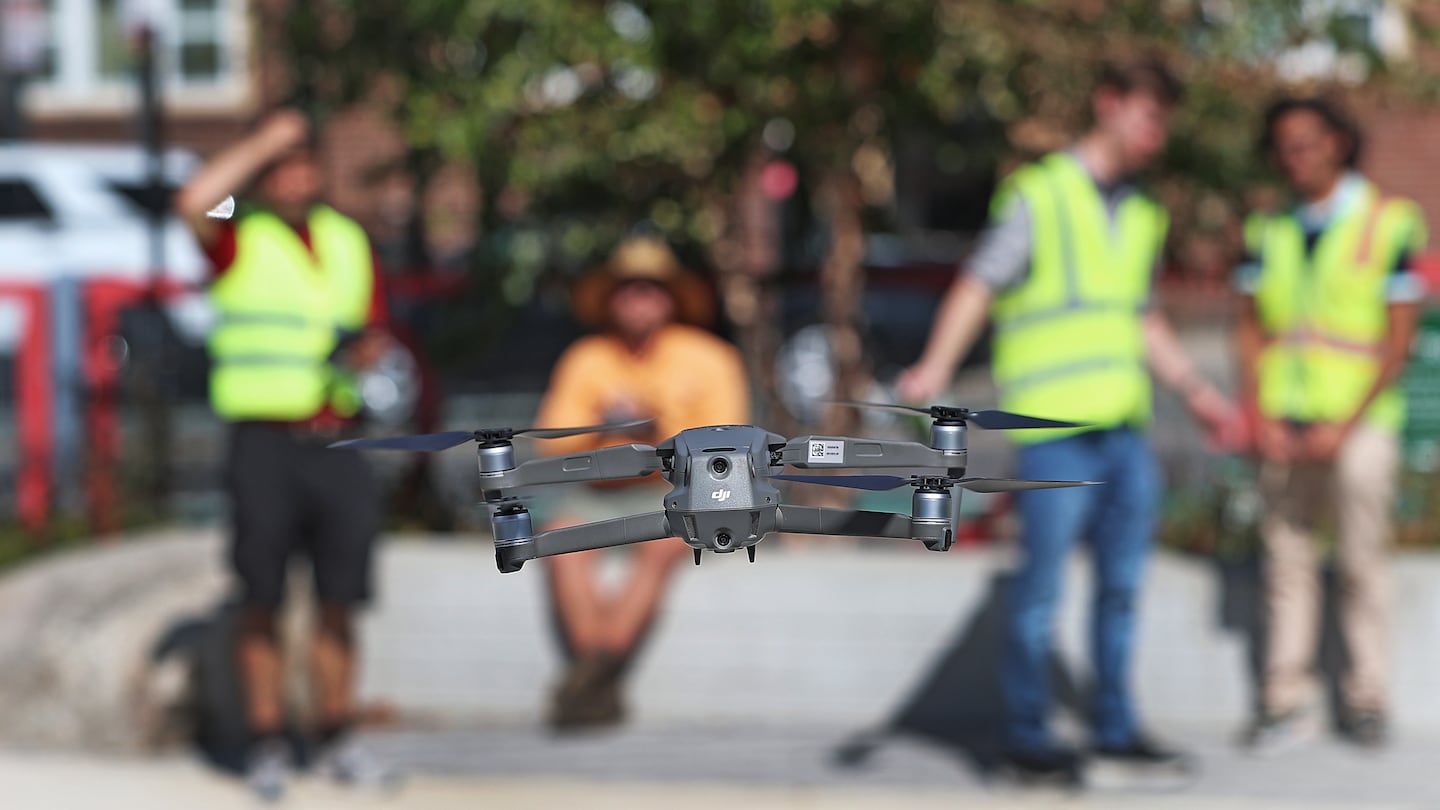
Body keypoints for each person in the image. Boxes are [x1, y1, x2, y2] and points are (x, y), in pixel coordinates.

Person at [896, 58, 1239, 780]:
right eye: (1147, 115)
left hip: (1123, 432)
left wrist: (1199, 394)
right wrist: (933, 366)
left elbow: (1140, 315)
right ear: (1107, 103)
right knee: (1041, 588)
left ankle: (1114, 727)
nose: (1157, 133)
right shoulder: (1040, 193)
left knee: (1121, 588)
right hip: (1054, 434)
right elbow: (980, 283)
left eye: (1163, 121)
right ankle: (1025, 739)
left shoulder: (1144, 210)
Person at [175, 109, 397, 800]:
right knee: (261, 598)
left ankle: (334, 734)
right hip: (264, 439)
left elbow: (374, 329)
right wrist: (263, 139)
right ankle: (267, 740)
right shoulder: (239, 234)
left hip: (338, 436)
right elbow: (196, 199)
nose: (293, 174)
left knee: (340, 599)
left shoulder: (347, 240)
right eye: (279, 165)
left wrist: (368, 354)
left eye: (303, 160)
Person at [1235, 97, 1426, 752]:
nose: (1297, 156)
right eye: (1284, 145)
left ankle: (1366, 696)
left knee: (1360, 561)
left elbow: (1398, 341)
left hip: (1361, 420)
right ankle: (1284, 698)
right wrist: (1257, 413)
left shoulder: (1390, 222)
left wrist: (1344, 425)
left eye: (1308, 142)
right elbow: (1251, 327)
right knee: (1285, 562)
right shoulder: (1268, 228)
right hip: (1285, 421)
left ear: (1340, 143)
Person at [532, 235, 749, 730]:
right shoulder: (587, 358)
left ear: (670, 298)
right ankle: (598, 675)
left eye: (651, 288)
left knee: (661, 549)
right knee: (561, 541)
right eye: (628, 288)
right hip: (599, 494)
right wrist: (605, 434)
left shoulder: (711, 358)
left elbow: (728, 448)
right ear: (612, 298)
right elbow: (552, 442)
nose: (639, 298)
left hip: (677, 495)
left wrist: (658, 437)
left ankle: (591, 678)